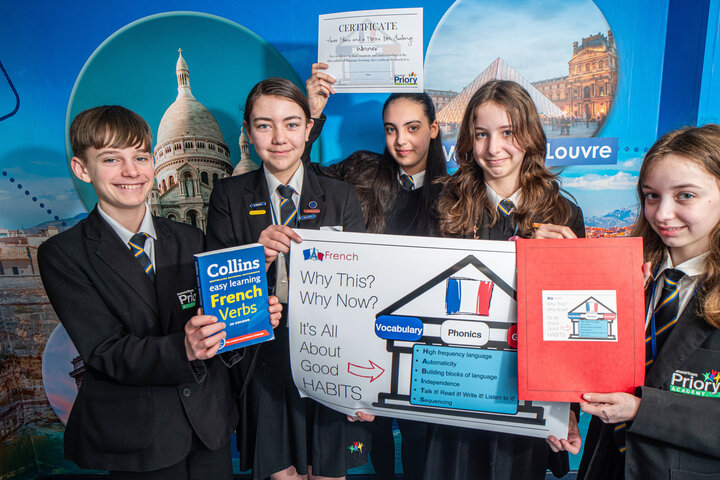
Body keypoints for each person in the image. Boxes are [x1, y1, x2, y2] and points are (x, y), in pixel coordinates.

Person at [37, 105, 282, 479]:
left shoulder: (191, 238)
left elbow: (219, 327)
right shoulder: (63, 254)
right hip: (139, 437)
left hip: (209, 426)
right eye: (111, 159)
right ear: (81, 169)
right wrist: (184, 347)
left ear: (155, 163)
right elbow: (104, 352)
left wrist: (251, 314)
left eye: (140, 156)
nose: (131, 171)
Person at [205, 77, 370, 480]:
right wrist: (252, 260)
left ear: (309, 128)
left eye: (292, 124)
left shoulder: (342, 196)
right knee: (283, 474)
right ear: (247, 131)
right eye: (264, 125)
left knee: (329, 471)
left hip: (330, 360)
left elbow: (364, 291)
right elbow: (216, 296)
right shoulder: (227, 196)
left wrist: (363, 380)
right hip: (265, 363)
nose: (279, 138)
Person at [423, 80, 584, 480]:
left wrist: (567, 410)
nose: (494, 149)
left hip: (524, 393)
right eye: (482, 134)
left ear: (530, 135)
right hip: (455, 387)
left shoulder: (564, 216)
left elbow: (575, 329)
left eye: (508, 133)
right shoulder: (441, 204)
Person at [577, 124, 720, 479]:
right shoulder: (625, 277)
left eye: (685, 195)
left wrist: (643, 411)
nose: (661, 214)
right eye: (651, 195)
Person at [305, 63, 447, 480]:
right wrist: (312, 115)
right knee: (372, 436)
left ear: (434, 129)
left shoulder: (455, 193)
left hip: (424, 340)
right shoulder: (362, 170)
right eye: (390, 129)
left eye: (413, 127)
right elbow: (305, 177)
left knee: (421, 438)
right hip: (366, 330)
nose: (400, 140)